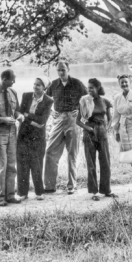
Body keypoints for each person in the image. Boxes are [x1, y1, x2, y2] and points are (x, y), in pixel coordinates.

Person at [44, 61, 87, 194]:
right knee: (50, 151)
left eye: (63, 70)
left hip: (73, 119)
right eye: (59, 70)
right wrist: (51, 111)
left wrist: (80, 111)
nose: (61, 73)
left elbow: (88, 98)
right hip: (58, 119)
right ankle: (49, 186)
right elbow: (45, 99)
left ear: (68, 69)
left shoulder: (77, 83)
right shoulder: (53, 84)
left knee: (72, 153)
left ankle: (71, 185)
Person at [76, 78, 117, 200]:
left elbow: (110, 119)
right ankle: (94, 193)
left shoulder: (105, 101)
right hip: (89, 133)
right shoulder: (84, 101)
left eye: (91, 88)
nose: (89, 90)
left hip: (102, 133)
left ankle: (107, 190)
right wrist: (88, 129)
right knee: (91, 163)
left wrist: (107, 129)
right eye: (88, 88)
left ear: (98, 88)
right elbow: (78, 121)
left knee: (105, 162)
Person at [0, 69, 24, 206]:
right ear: (4, 79)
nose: (14, 81)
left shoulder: (13, 92)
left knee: (11, 165)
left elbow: (18, 110)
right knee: (0, 166)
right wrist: (3, 119)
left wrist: (20, 116)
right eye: (12, 79)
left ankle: (10, 195)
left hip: (12, 133)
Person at [16, 76, 53, 201]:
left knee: (37, 163)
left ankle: (39, 192)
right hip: (23, 135)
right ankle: (22, 193)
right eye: (34, 84)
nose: (35, 87)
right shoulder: (26, 96)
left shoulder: (48, 100)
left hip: (37, 137)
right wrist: (31, 118)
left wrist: (26, 117)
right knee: (22, 164)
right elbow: (20, 112)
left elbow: (42, 121)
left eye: (39, 85)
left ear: (45, 87)